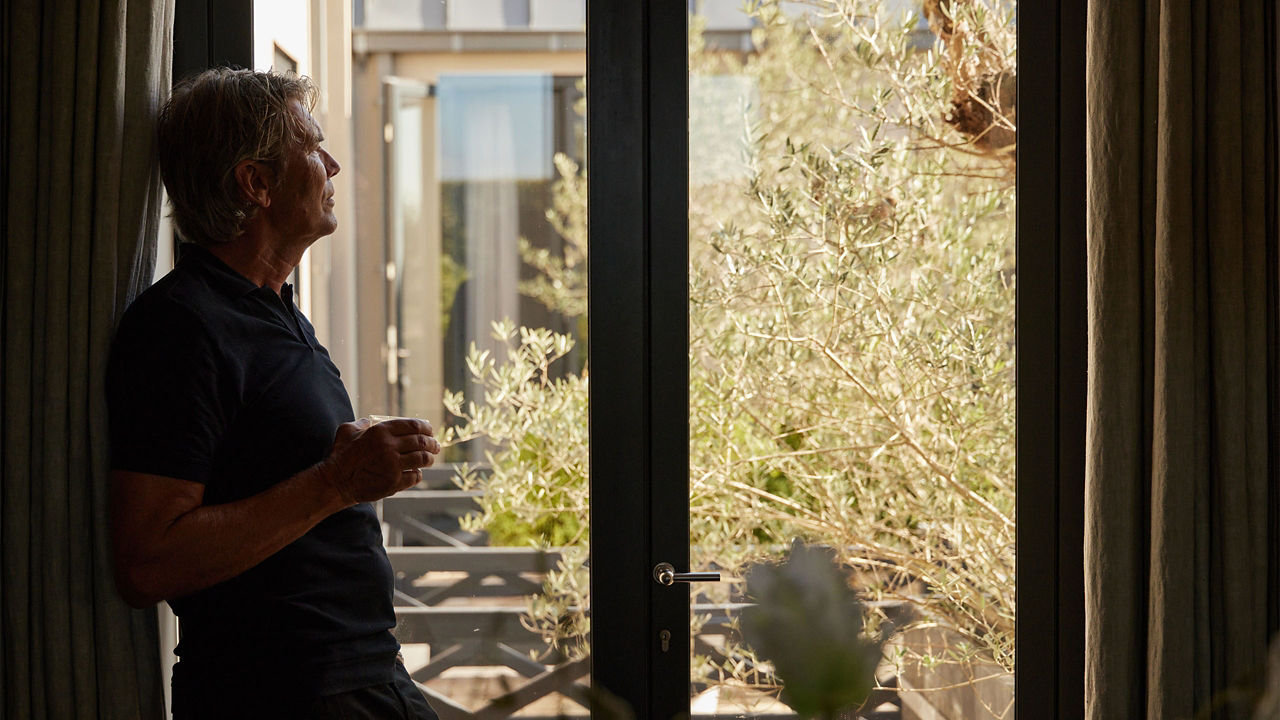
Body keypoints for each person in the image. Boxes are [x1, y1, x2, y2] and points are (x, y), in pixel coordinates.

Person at [106, 67, 440, 719]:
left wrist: (353, 469)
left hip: (359, 678)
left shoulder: (276, 313)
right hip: (287, 692)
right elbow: (146, 561)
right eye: (313, 146)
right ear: (256, 183)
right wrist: (339, 482)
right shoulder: (180, 326)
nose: (335, 164)